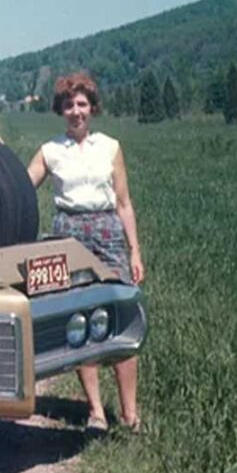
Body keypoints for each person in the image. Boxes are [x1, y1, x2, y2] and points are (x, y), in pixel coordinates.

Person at [26, 72, 144, 434]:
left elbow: (124, 203)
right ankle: (95, 412)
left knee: (122, 317)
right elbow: (20, 183)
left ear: (92, 108)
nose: (75, 111)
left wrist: (134, 252)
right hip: (69, 235)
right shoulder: (50, 150)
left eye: (81, 104)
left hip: (107, 231)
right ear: (60, 110)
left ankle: (131, 416)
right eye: (68, 105)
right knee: (78, 319)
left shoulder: (110, 147)